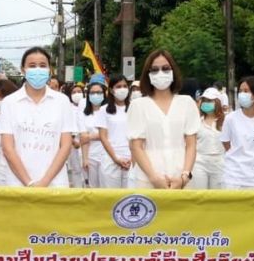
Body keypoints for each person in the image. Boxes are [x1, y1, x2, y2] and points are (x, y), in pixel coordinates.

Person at [0, 47, 76, 187]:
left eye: (43, 65)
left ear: (50, 70)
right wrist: (29, 182)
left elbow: (66, 145)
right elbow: (8, 148)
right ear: (23, 69)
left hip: (55, 183)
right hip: (18, 183)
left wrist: (44, 182)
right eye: (32, 66)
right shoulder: (10, 102)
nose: (38, 69)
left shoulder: (62, 101)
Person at [127, 49, 199, 189]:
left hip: (181, 179)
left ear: (173, 71)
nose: (160, 73)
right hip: (147, 180)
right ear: (148, 74)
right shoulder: (138, 106)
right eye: (154, 69)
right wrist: (154, 178)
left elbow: (191, 145)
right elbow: (136, 146)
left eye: (165, 68)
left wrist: (184, 177)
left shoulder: (187, 103)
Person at [221, 76, 254, 189]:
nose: (242, 94)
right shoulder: (231, 118)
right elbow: (226, 143)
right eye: (240, 91)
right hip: (233, 177)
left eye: (246, 91)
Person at [96, 74, 131, 188]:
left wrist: (132, 158)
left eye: (125, 86)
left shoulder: (134, 108)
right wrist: (116, 158)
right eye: (118, 86)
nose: (122, 89)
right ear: (111, 90)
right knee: (110, 198)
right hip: (110, 158)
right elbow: (103, 137)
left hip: (131, 158)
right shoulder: (103, 110)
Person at [191, 88, 224, 189]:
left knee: (217, 198)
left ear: (217, 102)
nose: (206, 103)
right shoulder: (196, 121)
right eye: (204, 101)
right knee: (199, 195)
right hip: (200, 162)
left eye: (210, 101)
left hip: (219, 163)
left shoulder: (225, 121)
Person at [80, 75, 108, 188]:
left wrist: (91, 136)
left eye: (99, 92)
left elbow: (110, 133)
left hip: (108, 155)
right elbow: (83, 138)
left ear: (104, 93)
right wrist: (85, 159)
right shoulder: (84, 114)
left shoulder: (109, 111)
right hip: (92, 156)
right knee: (93, 188)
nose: (96, 95)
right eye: (92, 93)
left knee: (107, 188)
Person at [66, 83, 85, 188]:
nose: (77, 94)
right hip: (73, 142)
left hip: (86, 142)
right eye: (74, 92)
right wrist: (73, 142)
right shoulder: (68, 108)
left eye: (79, 92)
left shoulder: (87, 106)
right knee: (76, 169)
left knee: (87, 169)